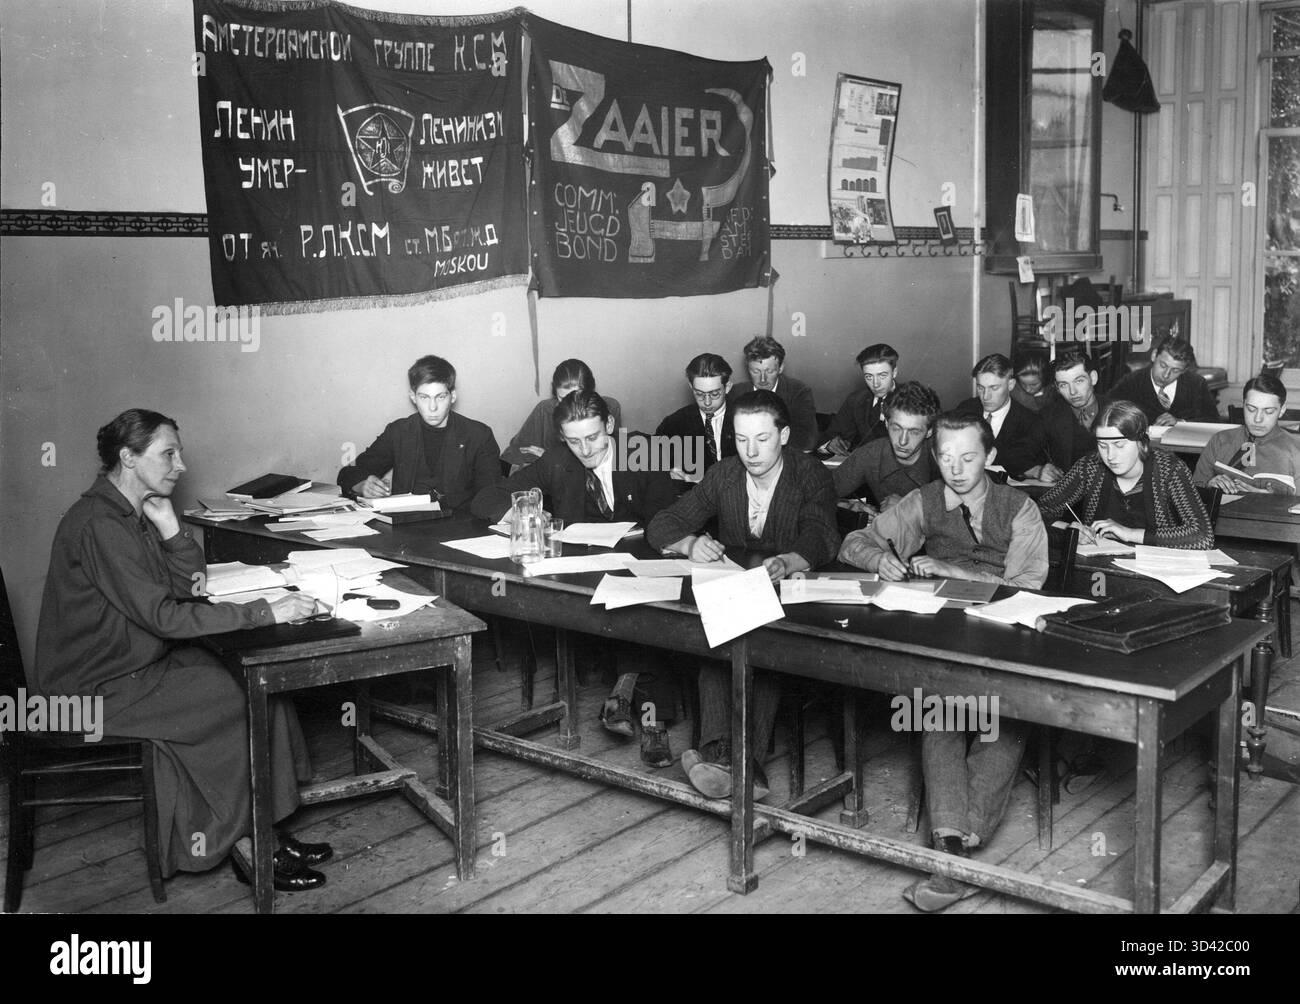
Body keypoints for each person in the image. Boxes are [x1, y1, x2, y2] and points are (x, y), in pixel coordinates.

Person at [34, 410, 332, 892]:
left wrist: (172, 528)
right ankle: (247, 844)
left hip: (135, 664)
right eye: (167, 454)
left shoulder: (131, 512)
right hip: (95, 687)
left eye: (179, 452)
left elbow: (187, 590)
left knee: (259, 681)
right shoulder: (100, 523)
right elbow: (164, 617)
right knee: (241, 700)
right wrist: (266, 611)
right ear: (128, 458)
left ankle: (266, 829)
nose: (180, 464)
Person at [837, 411, 1048, 912]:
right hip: (945, 633)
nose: (955, 468)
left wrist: (954, 569)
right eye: (946, 457)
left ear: (991, 458)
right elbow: (854, 541)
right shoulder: (924, 500)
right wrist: (878, 559)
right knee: (941, 707)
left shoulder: (1020, 508)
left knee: (1007, 712)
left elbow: (1028, 586)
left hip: (1009, 635)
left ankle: (954, 847)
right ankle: (953, 847)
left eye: (969, 457)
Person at [646, 390, 841, 800]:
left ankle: (727, 761)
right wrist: (688, 544)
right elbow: (665, 522)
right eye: (740, 439)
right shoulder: (725, 474)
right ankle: (737, 766)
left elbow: (822, 534)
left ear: (784, 435)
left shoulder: (810, 474)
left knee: (758, 651)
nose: (751, 451)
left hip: (794, 597)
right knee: (725, 641)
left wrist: (787, 561)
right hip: (738, 595)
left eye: (762, 439)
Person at [471, 391, 680, 766]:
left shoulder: (645, 450)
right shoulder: (557, 460)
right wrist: (525, 513)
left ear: (611, 427)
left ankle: (645, 715)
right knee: (619, 609)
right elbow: (486, 498)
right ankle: (634, 705)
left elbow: (666, 522)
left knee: (643, 612)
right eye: (574, 440)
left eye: (594, 437)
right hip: (583, 574)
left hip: (644, 566)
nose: (585, 449)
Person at [1037, 400, 1214, 548]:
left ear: (1141, 442)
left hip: (1156, 573)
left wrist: (1129, 534)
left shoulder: (1169, 469)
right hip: (1100, 568)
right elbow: (1038, 512)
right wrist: (1069, 529)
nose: (1110, 456)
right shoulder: (1090, 467)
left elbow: (1202, 536)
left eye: (1119, 445)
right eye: (1103, 446)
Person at [338, 354, 502, 511]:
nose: (432, 407)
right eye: (424, 397)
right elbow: (349, 473)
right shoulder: (399, 432)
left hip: (460, 530)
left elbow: (492, 497)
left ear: (453, 397)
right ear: (413, 397)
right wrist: (363, 485)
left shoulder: (478, 435)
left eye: (440, 397)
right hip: (405, 529)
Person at [833, 380, 942, 515]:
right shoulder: (871, 453)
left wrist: (909, 507)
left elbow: (966, 513)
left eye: (914, 432)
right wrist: (847, 505)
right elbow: (818, 492)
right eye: (896, 428)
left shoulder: (943, 455)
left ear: (929, 431)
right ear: (886, 423)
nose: (902, 441)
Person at [501, 359, 623, 469]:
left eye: (577, 398)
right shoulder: (545, 410)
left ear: (591, 392)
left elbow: (615, 458)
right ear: (555, 394)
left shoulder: (610, 408)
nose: (569, 406)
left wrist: (555, 459)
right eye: (562, 399)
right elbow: (513, 454)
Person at [1194, 373, 1300, 495]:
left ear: (1281, 410)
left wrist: (1270, 500)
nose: (1258, 419)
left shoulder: (1296, 449)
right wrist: (1208, 486)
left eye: (1268, 411)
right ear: (1243, 404)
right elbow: (1193, 492)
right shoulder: (1220, 440)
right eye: (1251, 409)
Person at [955, 353, 1050, 479]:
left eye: (994, 388)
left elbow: (1021, 460)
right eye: (980, 388)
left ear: (1011, 385)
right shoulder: (965, 408)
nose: (985, 396)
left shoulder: (1030, 422)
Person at [727, 335, 819, 452]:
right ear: (748, 369)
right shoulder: (735, 393)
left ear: (780, 368)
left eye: (769, 371)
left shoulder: (798, 391)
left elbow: (806, 440)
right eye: (756, 371)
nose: (763, 379)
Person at [655, 352, 736, 481]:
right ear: (691, 387)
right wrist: (667, 473)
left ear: (727, 387)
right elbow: (653, 464)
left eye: (715, 394)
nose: (707, 402)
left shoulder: (747, 417)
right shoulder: (674, 423)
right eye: (699, 394)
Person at [1108, 335, 1221, 426]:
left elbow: (1214, 422)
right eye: (1163, 365)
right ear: (1153, 356)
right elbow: (1108, 412)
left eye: (1175, 370)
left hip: (1185, 454)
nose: (1166, 375)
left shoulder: (1196, 384)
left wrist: (1181, 423)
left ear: (1184, 370)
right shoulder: (1131, 382)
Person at [1039, 346, 1110, 478]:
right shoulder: (1048, 416)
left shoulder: (1119, 410)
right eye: (1064, 385)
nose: (1072, 392)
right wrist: (1038, 471)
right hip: (1069, 493)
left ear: (1093, 378)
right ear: (1057, 388)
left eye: (1079, 381)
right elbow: (1023, 452)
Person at [822, 343, 900, 455]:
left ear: (895, 372)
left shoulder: (910, 399)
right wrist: (829, 444)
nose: (876, 384)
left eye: (882, 375)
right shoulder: (856, 400)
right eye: (869, 376)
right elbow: (831, 436)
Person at [1010, 348, 1056, 413]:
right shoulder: (1013, 392)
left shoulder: (1053, 392)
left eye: (1033, 384)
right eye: (1023, 384)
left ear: (1045, 379)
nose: (1027, 389)